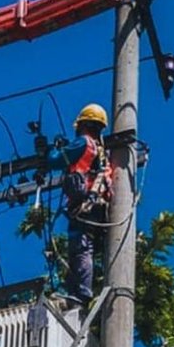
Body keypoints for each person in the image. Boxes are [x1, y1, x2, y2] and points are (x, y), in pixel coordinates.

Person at [46, 103, 112, 308]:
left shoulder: (83, 142)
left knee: (81, 249)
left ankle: (80, 294)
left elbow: (54, 161)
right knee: (83, 249)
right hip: (98, 206)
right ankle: (76, 292)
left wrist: (50, 149)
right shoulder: (101, 151)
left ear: (82, 124)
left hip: (85, 206)